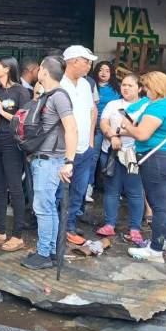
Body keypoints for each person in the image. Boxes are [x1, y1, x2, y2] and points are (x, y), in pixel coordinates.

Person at [121, 71, 166, 262]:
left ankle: (155, 250)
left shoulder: (159, 107)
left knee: (157, 207)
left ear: (157, 88)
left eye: (147, 87)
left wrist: (127, 126)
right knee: (162, 203)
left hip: (154, 160)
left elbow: (142, 134)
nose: (145, 91)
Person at [21, 56, 78, 270]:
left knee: (43, 208)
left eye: (40, 68)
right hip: (45, 160)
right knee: (49, 208)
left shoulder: (59, 97)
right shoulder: (50, 95)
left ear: (44, 71)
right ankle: (52, 250)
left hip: (50, 161)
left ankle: (44, 253)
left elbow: (71, 128)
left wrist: (69, 162)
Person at [0, 57, 31, 252]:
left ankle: (17, 236)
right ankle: (0, 231)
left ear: (7, 69)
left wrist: (2, 111)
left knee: (15, 189)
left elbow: (24, 122)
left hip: (13, 145)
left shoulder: (21, 92)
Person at [95, 73, 146, 246]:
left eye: (130, 85)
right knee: (111, 190)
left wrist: (123, 134)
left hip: (134, 155)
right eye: (123, 84)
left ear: (139, 88)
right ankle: (109, 224)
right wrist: (112, 137)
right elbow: (103, 122)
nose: (125, 88)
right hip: (111, 152)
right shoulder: (113, 104)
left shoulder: (146, 106)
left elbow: (145, 130)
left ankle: (135, 229)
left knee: (135, 191)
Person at [61, 45, 98, 244]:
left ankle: (71, 225)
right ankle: (59, 227)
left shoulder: (86, 84)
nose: (89, 65)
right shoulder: (58, 83)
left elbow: (92, 112)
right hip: (64, 150)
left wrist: (91, 139)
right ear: (74, 61)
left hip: (85, 148)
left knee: (79, 190)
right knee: (60, 191)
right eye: (86, 61)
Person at [86, 61, 121, 203]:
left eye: (107, 70)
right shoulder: (90, 86)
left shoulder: (116, 89)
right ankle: (88, 187)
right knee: (92, 158)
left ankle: (113, 189)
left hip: (110, 129)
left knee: (108, 158)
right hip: (94, 128)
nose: (104, 73)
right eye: (101, 70)